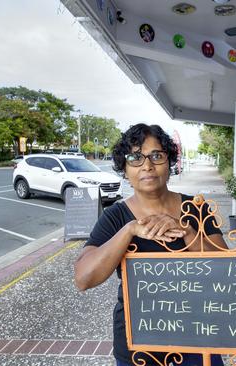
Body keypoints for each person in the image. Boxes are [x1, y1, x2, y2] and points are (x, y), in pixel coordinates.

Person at [74, 123, 227, 366]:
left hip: (200, 334)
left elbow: (228, 270)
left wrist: (187, 231)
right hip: (139, 345)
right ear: (124, 168)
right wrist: (129, 230)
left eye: (157, 155)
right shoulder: (116, 217)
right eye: (135, 157)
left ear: (170, 162)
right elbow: (84, 278)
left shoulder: (196, 208)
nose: (147, 165)